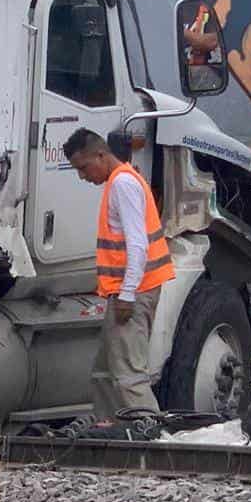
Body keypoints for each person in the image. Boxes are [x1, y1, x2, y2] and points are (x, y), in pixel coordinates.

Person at [62, 128, 176, 425]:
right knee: (104, 371)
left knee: (128, 374)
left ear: (101, 155)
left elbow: (137, 245)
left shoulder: (122, 184)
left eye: (84, 167)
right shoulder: (120, 181)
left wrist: (126, 294)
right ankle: (109, 430)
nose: (83, 176)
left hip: (134, 291)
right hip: (129, 290)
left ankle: (149, 438)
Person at [182, 3, 224, 92]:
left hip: (209, 79)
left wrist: (181, 31)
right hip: (180, 79)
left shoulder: (208, 6)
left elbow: (212, 41)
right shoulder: (169, 9)